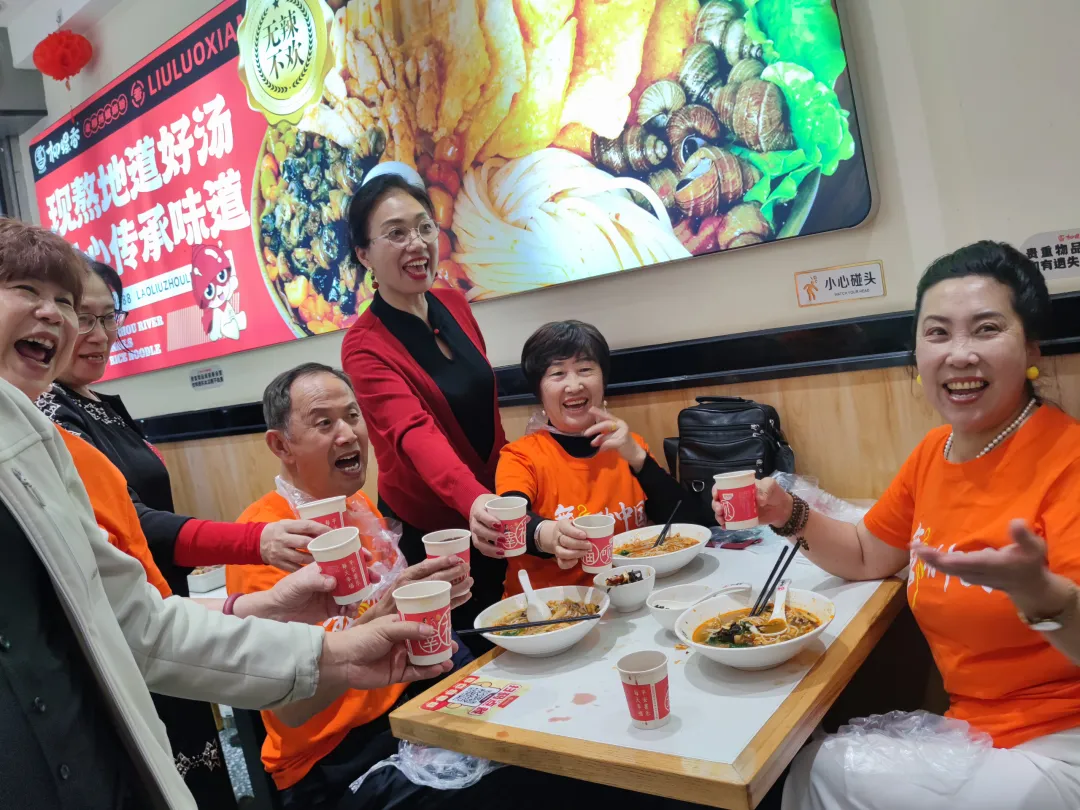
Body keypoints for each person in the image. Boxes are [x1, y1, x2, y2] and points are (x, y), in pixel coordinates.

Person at [0, 217, 455, 809]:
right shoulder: (56, 429)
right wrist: (257, 547)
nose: (58, 317)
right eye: (27, 291)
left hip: (123, 693)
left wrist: (312, 631)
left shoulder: (57, 437)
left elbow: (132, 619)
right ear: (279, 445)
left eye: (72, 304)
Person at [712, 242, 1080, 810]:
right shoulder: (937, 451)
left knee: (811, 770)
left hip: (1059, 746)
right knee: (802, 761)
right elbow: (866, 553)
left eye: (986, 329)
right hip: (975, 732)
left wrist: (1042, 594)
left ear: (1031, 346)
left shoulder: (1068, 460)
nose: (960, 354)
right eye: (938, 333)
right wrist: (786, 513)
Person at [227, 361, 479, 806]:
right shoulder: (265, 539)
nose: (347, 434)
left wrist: (431, 597)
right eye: (324, 423)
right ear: (280, 444)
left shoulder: (358, 504)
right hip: (336, 751)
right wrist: (380, 618)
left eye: (352, 415)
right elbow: (290, 702)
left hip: (407, 701)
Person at [36, 257, 325, 596]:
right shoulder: (49, 408)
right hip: (128, 603)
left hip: (163, 598)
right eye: (84, 319)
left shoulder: (100, 403)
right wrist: (255, 540)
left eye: (109, 317)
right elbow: (128, 521)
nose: (101, 335)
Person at [342, 171, 507, 648]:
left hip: (490, 506)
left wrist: (510, 481)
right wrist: (473, 500)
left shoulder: (454, 303)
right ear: (364, 254)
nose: (416, 243)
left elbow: (485, 410)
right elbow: (415, 433)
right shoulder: (363, 346)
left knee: (510, 630)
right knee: (457, 653)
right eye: (396, 233)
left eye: (424, 227)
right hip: (431, 530)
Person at [497, 321, 707, 594]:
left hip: (630, 596)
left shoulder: (630, 446)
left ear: (603, 380)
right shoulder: (520, 456)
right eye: (557, 373)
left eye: (585, 369)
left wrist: (638, 457)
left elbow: (688, 524)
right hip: (549, 606)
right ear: (539, 391)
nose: (574, 385)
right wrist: (547, 536)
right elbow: (509, 522)